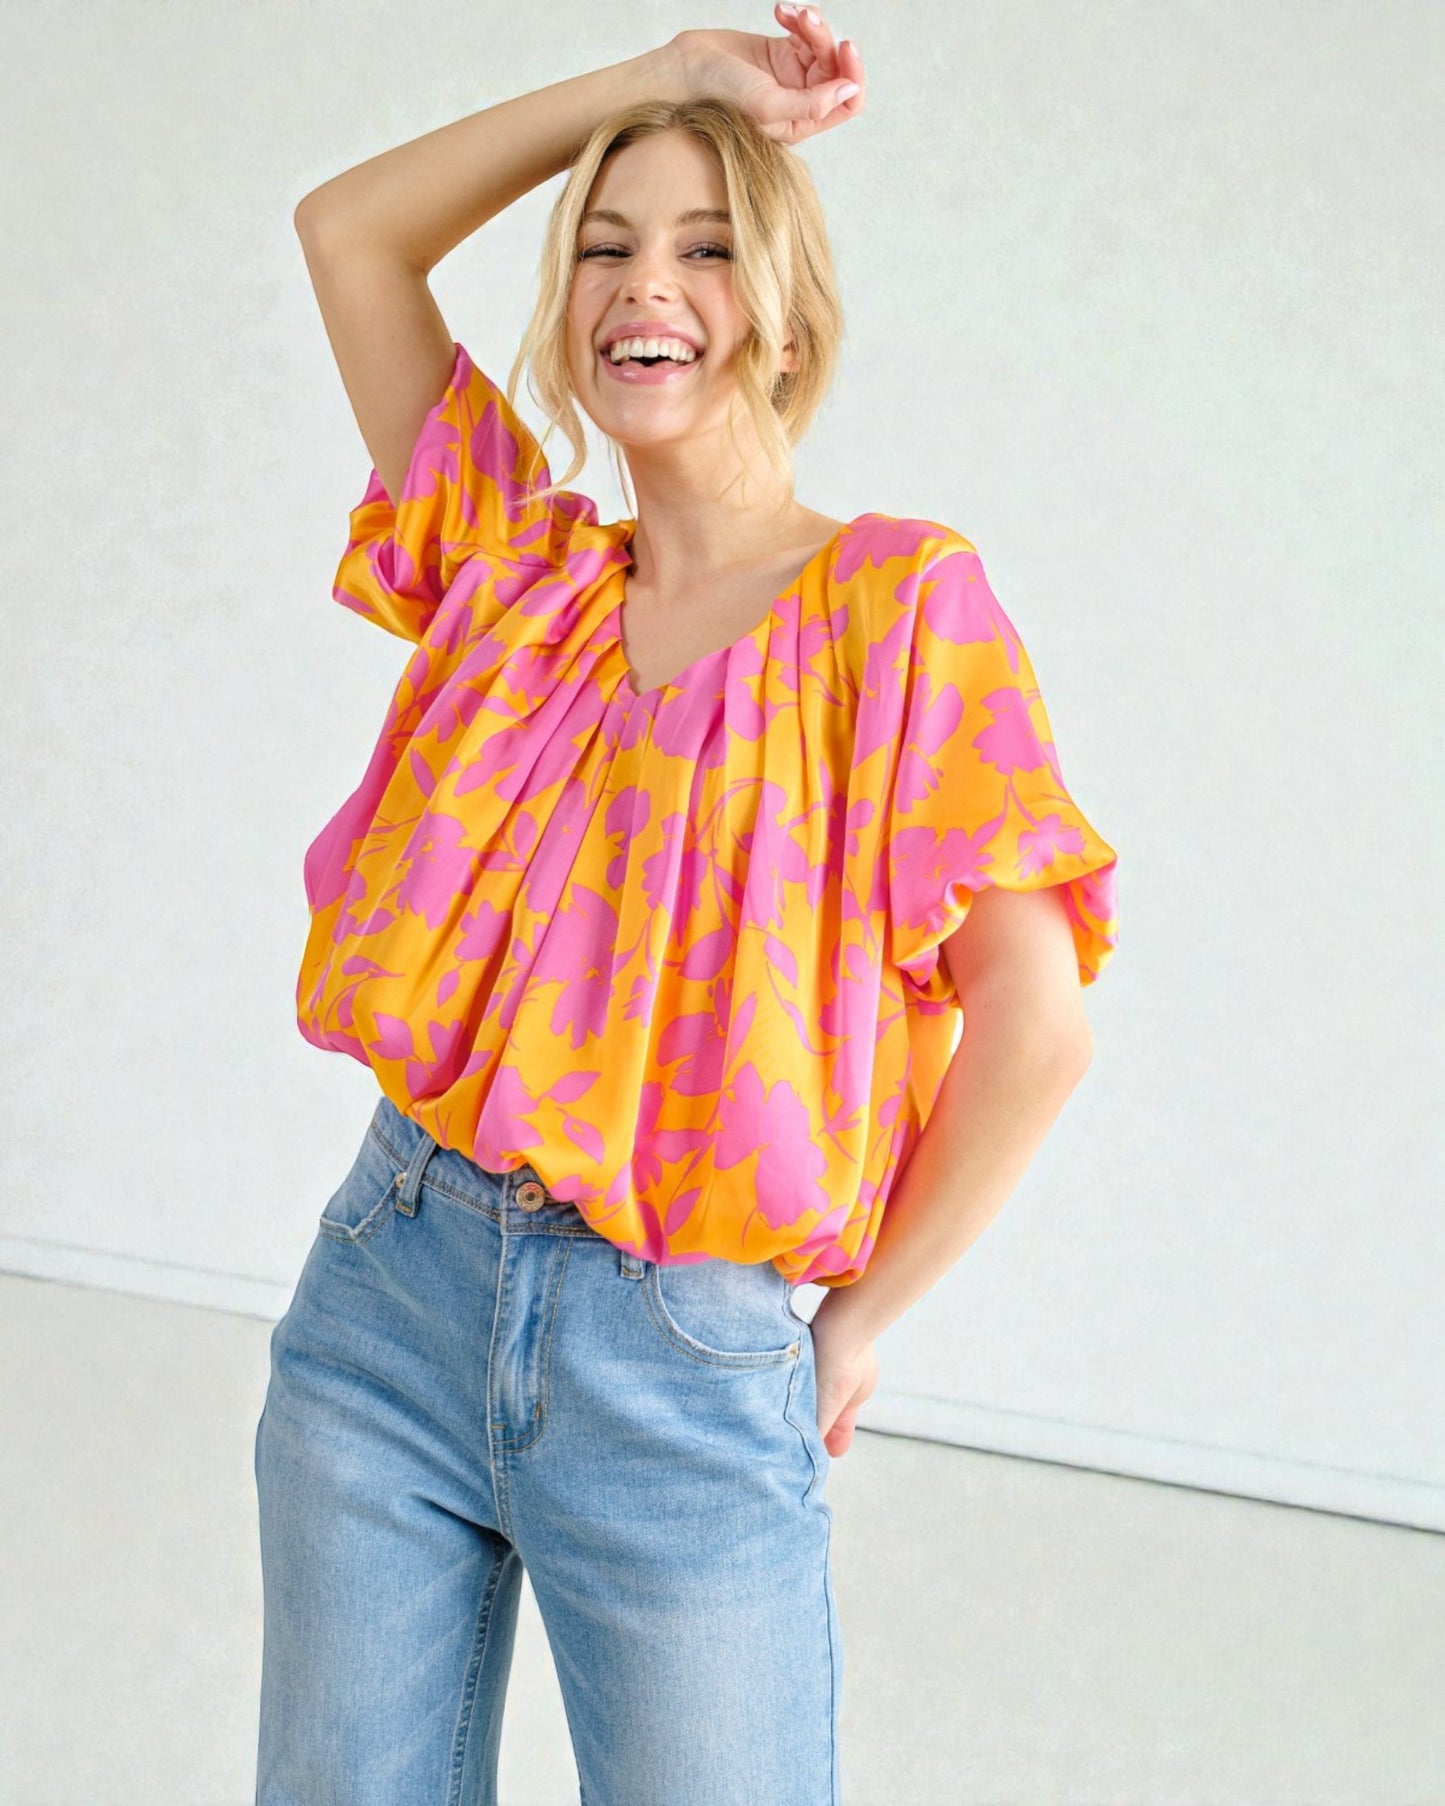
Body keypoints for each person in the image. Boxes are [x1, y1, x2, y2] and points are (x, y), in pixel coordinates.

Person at [253, 8, 1120, 1803]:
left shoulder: (895, 608)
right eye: (605, 246)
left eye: (709, 248)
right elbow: (349, 231)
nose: (647, 283)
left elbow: (1034, 1026)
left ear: (787, 320)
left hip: (680, 1357)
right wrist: (656, 83)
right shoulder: (516, 574)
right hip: (388, 1298)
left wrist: (854, 1322)